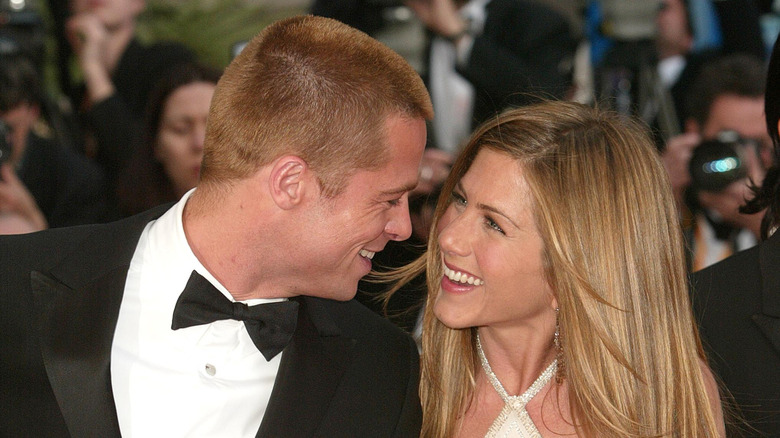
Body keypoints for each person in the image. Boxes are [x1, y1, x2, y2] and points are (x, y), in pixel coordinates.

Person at [0, 15, 432, 437]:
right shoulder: (11, 283)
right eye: (390, 199)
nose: (402, 227)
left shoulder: (383, 370)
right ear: (290, 183)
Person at [388, 100, 725, 436]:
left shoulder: (666, 396)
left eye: (493, 224)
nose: (449, 237)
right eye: (460, 200)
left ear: (573, 269)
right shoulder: (399, 383)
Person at [690, 32, 780, 437]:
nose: (737, 164)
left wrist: (759, 218)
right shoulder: (659, 224)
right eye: (727, 144)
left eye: (755, 147)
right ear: (693, 136)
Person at [66, 0, 194, 186]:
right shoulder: (73, 94)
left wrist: (92, 66)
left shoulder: (169, 63)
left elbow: (138, 162)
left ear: (139, 3)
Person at [661, 54, 770, 270]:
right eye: (732, 140)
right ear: (693, 135)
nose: (747, 158)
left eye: (759, 144)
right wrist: (656, 199)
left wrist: (766, 226)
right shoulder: (669, 200)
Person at [0, 56, 111, 232]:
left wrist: (29, 215)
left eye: (8, 129)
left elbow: (78, 253)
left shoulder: (75, 179)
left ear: (33, 112)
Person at [116, 63, 222, 217]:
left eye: (215, 127)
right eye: (181, 129)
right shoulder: (135, 234)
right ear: (156, 145)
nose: (200, 144)